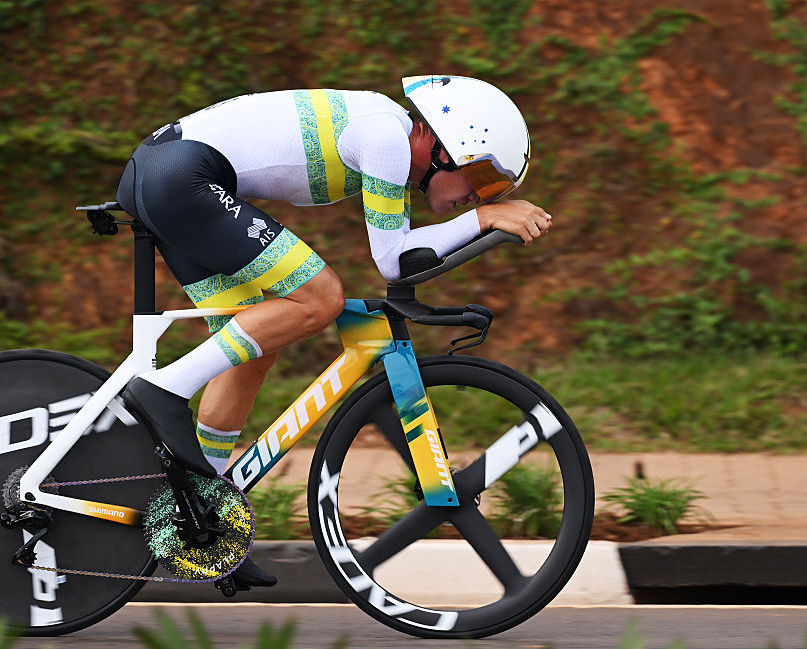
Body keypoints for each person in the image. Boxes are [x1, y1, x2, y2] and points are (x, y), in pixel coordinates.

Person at [118, 75, 553, 589]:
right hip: (181, 177)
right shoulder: (387, 137)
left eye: (492, 189)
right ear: (446, 146)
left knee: (253, 351)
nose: (478, 195)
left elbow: (408, 253)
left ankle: (198, 517)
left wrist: (482, 218)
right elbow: (393, 260)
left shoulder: (385, 131)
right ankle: (163, 388)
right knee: (320, 297)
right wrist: (485, 218)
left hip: (168, 173)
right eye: (484, 179)